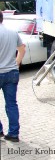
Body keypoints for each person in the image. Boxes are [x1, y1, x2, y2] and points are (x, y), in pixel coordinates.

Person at [0, 11, 25, 142]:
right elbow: (22, 48)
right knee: (11, 104)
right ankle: (14, 134)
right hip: (12, 72)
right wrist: (17, 63)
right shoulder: (12, 32)